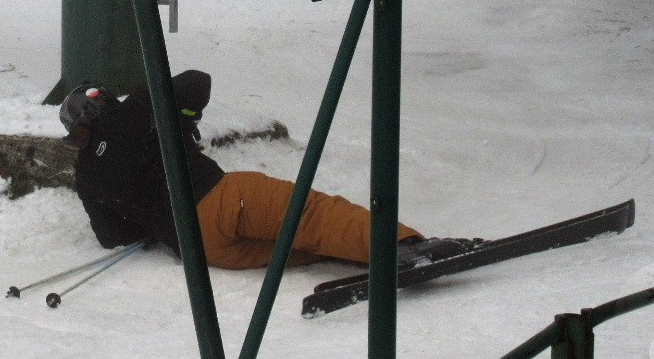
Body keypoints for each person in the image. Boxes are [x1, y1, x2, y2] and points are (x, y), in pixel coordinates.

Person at [60, 70, 472, 270]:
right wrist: (180, 119)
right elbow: (195, 82)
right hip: (217, 200)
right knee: (313, 215)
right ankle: (405, 247)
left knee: (305, 246)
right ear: (104, 104)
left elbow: (114, 236)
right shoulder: (132, 112)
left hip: (201, 250)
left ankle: (382, 257)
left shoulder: (87, 177)